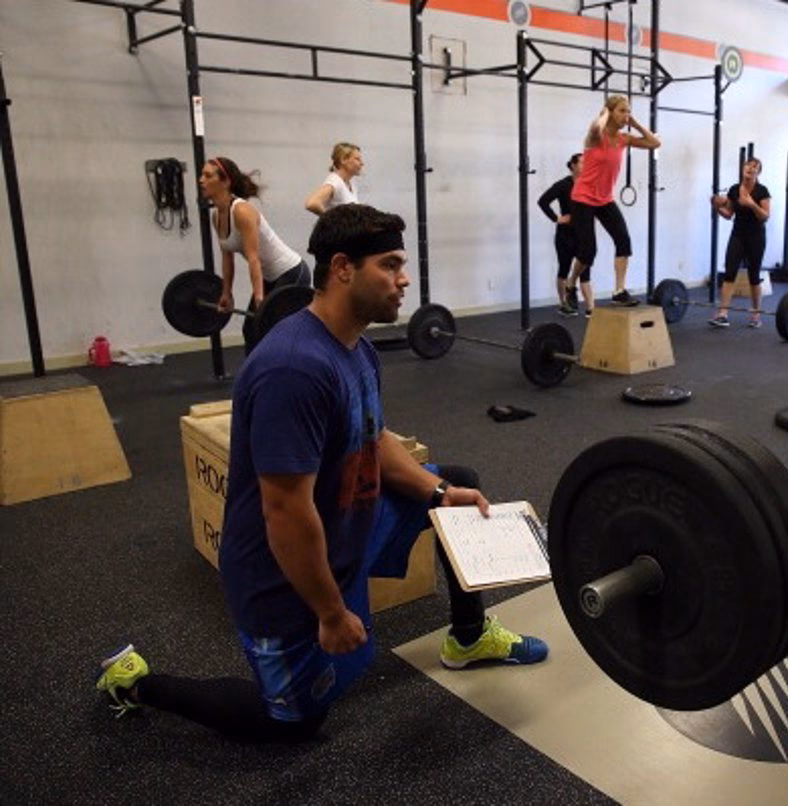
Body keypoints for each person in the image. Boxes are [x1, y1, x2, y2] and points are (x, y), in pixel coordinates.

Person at [94, 204, 548, 744]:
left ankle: (469, 638)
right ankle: (139, 683)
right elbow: (284, 510)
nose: (404, 279)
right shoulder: (295, 369)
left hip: (349, 519)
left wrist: (438, 490)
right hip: (280, 571)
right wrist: (330, 612)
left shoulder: (355, 348)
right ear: (341, 268)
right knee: (292, 724)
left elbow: (373, 437)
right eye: (390, 265)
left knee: (454, 482)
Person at [199, 156, 311, 353]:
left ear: (225, 181)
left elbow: (253, 258)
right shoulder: (217, 216)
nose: (201, 180)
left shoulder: (242, 211)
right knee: (251, 330)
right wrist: (226, 293)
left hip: (292, 271)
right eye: (202, 175)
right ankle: (257, 379)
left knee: (271, 327)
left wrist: (260, 298)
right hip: (269, 276)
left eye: (208, 175)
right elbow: (227, 258)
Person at [564, 94, 661, 312]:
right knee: (588, 252)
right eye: (622, 111)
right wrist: (605, 113)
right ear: (609, 112)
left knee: (624, 241)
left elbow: (655, 143)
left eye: (628, 111)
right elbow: (595, 127)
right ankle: (571, 284)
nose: (626, 115)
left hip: (605, 199)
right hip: (583, 198)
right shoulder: (595, 137)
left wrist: (634, 123)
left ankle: (619, 292)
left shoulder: (624, 139)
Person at [709, 157, 771, 328]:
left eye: (754, 167)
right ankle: (722, 314)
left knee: (753, 276)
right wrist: (715, 205)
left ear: (758, 172)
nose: (750, 169)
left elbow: (765, 216)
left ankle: (756, 315)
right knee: (730, 272)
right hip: (738, 235)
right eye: (748, 166)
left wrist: (751, 204)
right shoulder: (734, 190)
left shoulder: (762, 191)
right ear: (743, 169)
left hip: (756, 236)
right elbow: (729, 213)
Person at [538, 153, 585, 317]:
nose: (585, 166)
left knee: (583, 269)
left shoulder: (588, 184)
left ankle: (577, 296)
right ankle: (563, 303)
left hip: (583, 235)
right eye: (581, 163)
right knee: (564, 269)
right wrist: (557, 219)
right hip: (565, 236)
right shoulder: (563, 185)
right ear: (572, 165)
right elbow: (543, 201)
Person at [305, 142, 363, 215]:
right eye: (357, 159)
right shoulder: (335, 181)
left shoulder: (350, 183)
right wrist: (332, 222)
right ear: (343, 160)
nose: (362, 163)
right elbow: (311, 203)